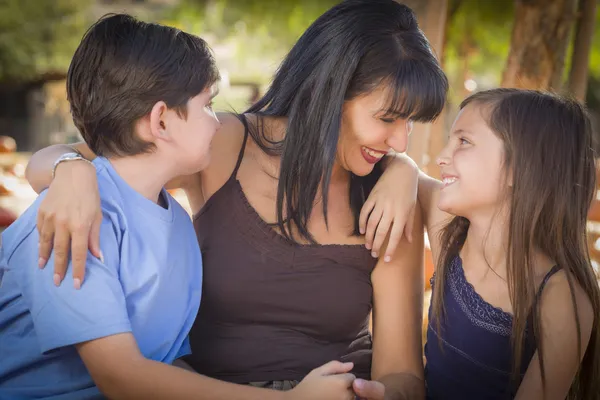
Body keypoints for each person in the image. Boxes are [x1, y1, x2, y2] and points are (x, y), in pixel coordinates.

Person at [25, 1, 449, 398]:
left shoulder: (389, 198)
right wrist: (72, 170)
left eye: (409, 123)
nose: (399, 140)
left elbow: (403, 372)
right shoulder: (220, 141)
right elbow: (78, 155)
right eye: (387, 118)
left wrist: (379, 393)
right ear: (329, 92)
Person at [409, 89, 600, 399]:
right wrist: (399, 174)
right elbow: (407, 171)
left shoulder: (560, 296)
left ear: (518, 168)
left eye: (464, 141)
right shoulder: (450, 234)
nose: (443, 156)